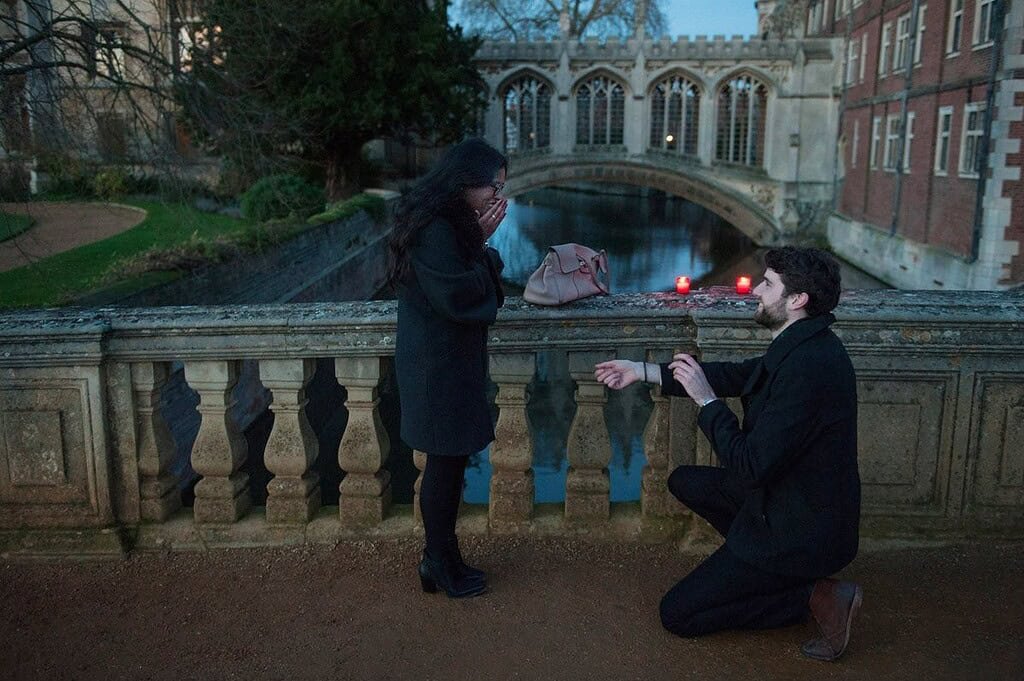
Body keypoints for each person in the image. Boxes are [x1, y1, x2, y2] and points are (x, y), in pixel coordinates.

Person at [594, 247, 863, 661]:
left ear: (797, 301)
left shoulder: (810, 369)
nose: (756, 289)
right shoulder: (804, 343)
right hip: (787, 502)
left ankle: (811, 595)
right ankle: (765, 570)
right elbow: (741, 375)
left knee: (678, 615)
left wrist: (707, 402)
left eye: (768, 284)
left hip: (801, 529)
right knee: (684, 480)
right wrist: (643, 370)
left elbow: (752, 465)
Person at [388, 138, 508, 599]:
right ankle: (437, 562)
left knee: (452, 465)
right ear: (464, 183)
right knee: (443, 467)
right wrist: (484, 249)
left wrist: (478, 246)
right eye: (492, 188)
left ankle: (445, 557)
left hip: (445, 362)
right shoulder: (436, 228)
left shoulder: (447, 222)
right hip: (435, 368)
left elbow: (467, 285)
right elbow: (462, 298)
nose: (497, 199)